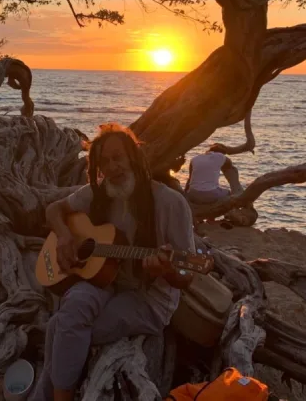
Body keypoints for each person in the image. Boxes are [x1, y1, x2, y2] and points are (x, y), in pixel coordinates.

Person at [31, 123, 204, 401]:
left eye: (118, 158)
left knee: (61, 327)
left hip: (148, 299)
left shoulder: (170, 204)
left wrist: (167, 270)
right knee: (71, 313)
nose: (112, 168)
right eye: (104, 161)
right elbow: (54, 210)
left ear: (133, 158)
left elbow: (187, 274)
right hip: (105, 281)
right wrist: (64, 237)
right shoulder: (101, 192)